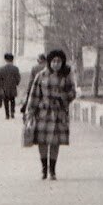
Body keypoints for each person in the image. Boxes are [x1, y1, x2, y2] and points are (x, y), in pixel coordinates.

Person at [22, 48, 78, 180]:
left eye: (59, 61)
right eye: (53, 61)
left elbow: (73, 92)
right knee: (42, 141)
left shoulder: (66, 76)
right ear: (49, 62)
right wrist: (29, 112)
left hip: (59, 112)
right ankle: (44, 169)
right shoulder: (41, 76)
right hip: (43, 112)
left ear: (62, 63)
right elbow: (34, 94)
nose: (56, 64)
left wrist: (63, 96)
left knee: (55, 142)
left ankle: (52, 170)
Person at [0, 53, 21, 119]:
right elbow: (18, 78)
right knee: (12, 100)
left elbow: (0, 79)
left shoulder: (2, 69)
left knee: (6, 101)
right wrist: (16, 83)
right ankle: (12, 112)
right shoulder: (15, 68)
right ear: (12, 59)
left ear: (5, 59)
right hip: (13, 87)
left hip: (5, 88)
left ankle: (7, 115)